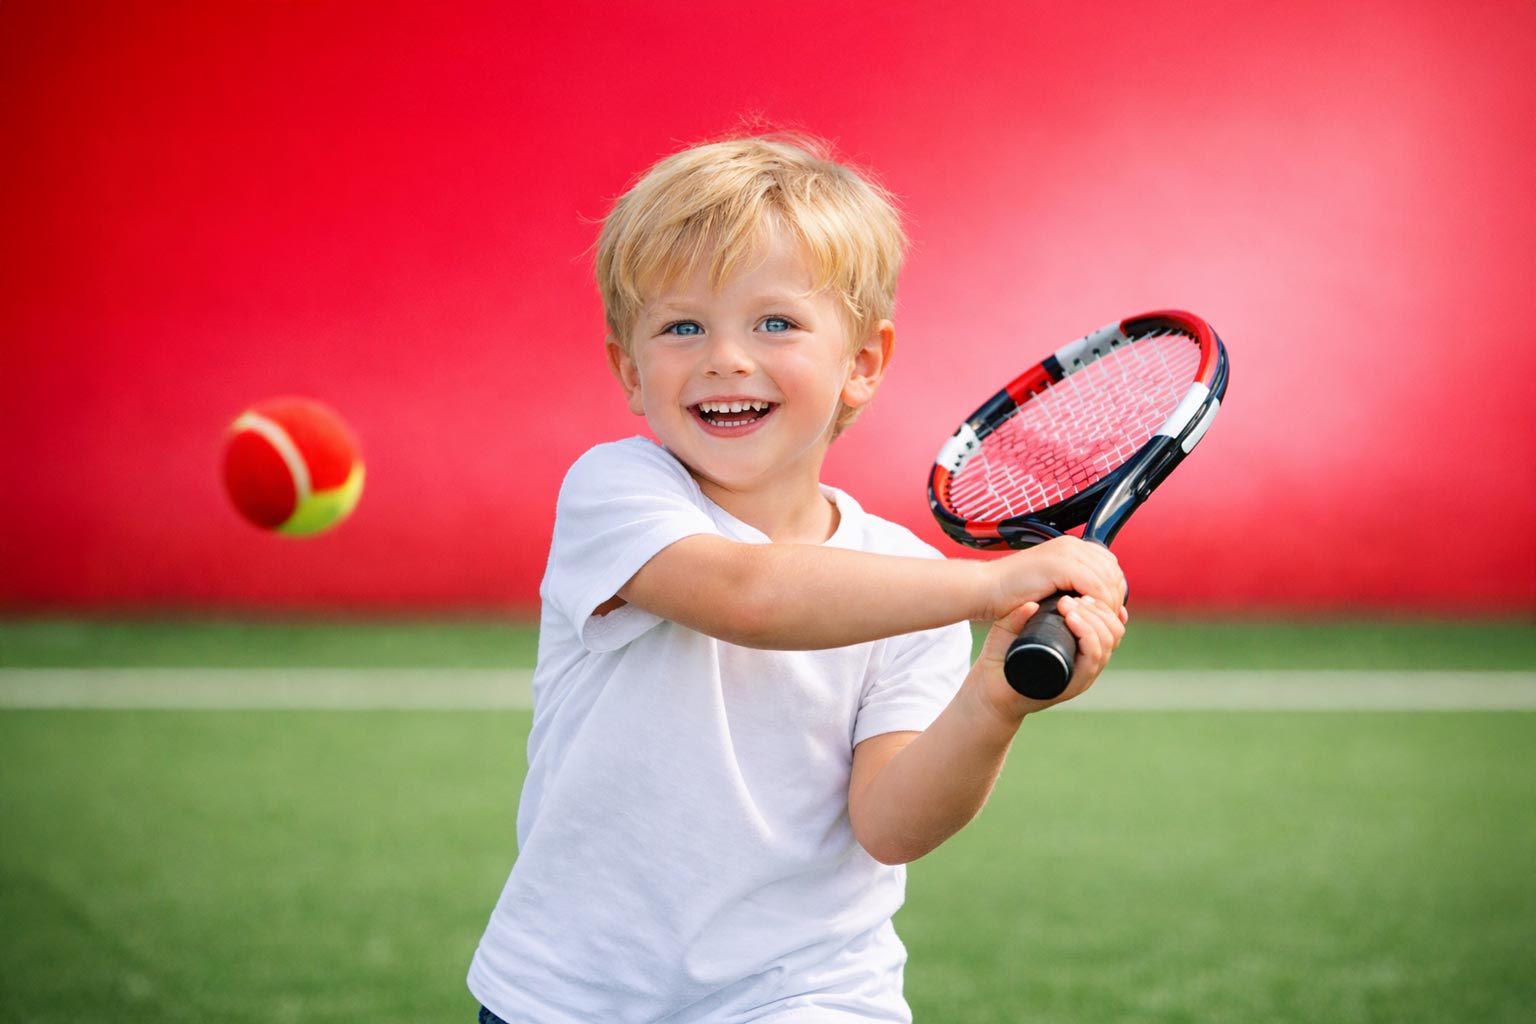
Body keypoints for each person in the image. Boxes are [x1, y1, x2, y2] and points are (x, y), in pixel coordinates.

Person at [467, 134, 1127, 1023]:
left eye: (775, 322)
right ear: (629, 369)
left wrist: (992, 705)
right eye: (681, 326)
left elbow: (891, 826)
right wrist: (991, 582)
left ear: (863, 363)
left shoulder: (910, 583)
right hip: (572, 994)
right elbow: (752, 596)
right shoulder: (616, 490)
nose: (726, 358)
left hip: (807, 995)